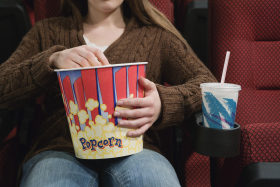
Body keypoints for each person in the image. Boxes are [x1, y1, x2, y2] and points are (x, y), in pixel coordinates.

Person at [0, 0, 217, 186]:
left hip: (136, 150)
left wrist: (163, 102)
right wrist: (50, 61)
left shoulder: (156, 35)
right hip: (59, 150)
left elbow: (207, 83)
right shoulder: (47, 31)